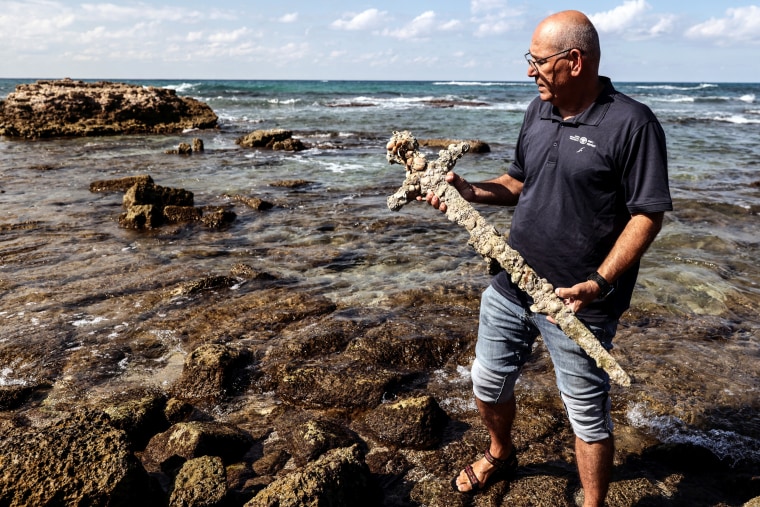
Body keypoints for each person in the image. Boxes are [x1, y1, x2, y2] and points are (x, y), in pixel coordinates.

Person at [423, 10, 673, 507]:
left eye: (537, 61)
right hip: (512, 283)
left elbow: (647, 215)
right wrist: (470, 190)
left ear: (574, 61)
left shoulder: (633, 124)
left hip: (579, 303)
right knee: (487, 380)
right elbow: (518, 182)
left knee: (586, 413)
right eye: (529, 59)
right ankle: (500, 453)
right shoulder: (538, 110)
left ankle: (593, 502)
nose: (529, 71)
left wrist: (599, 283)